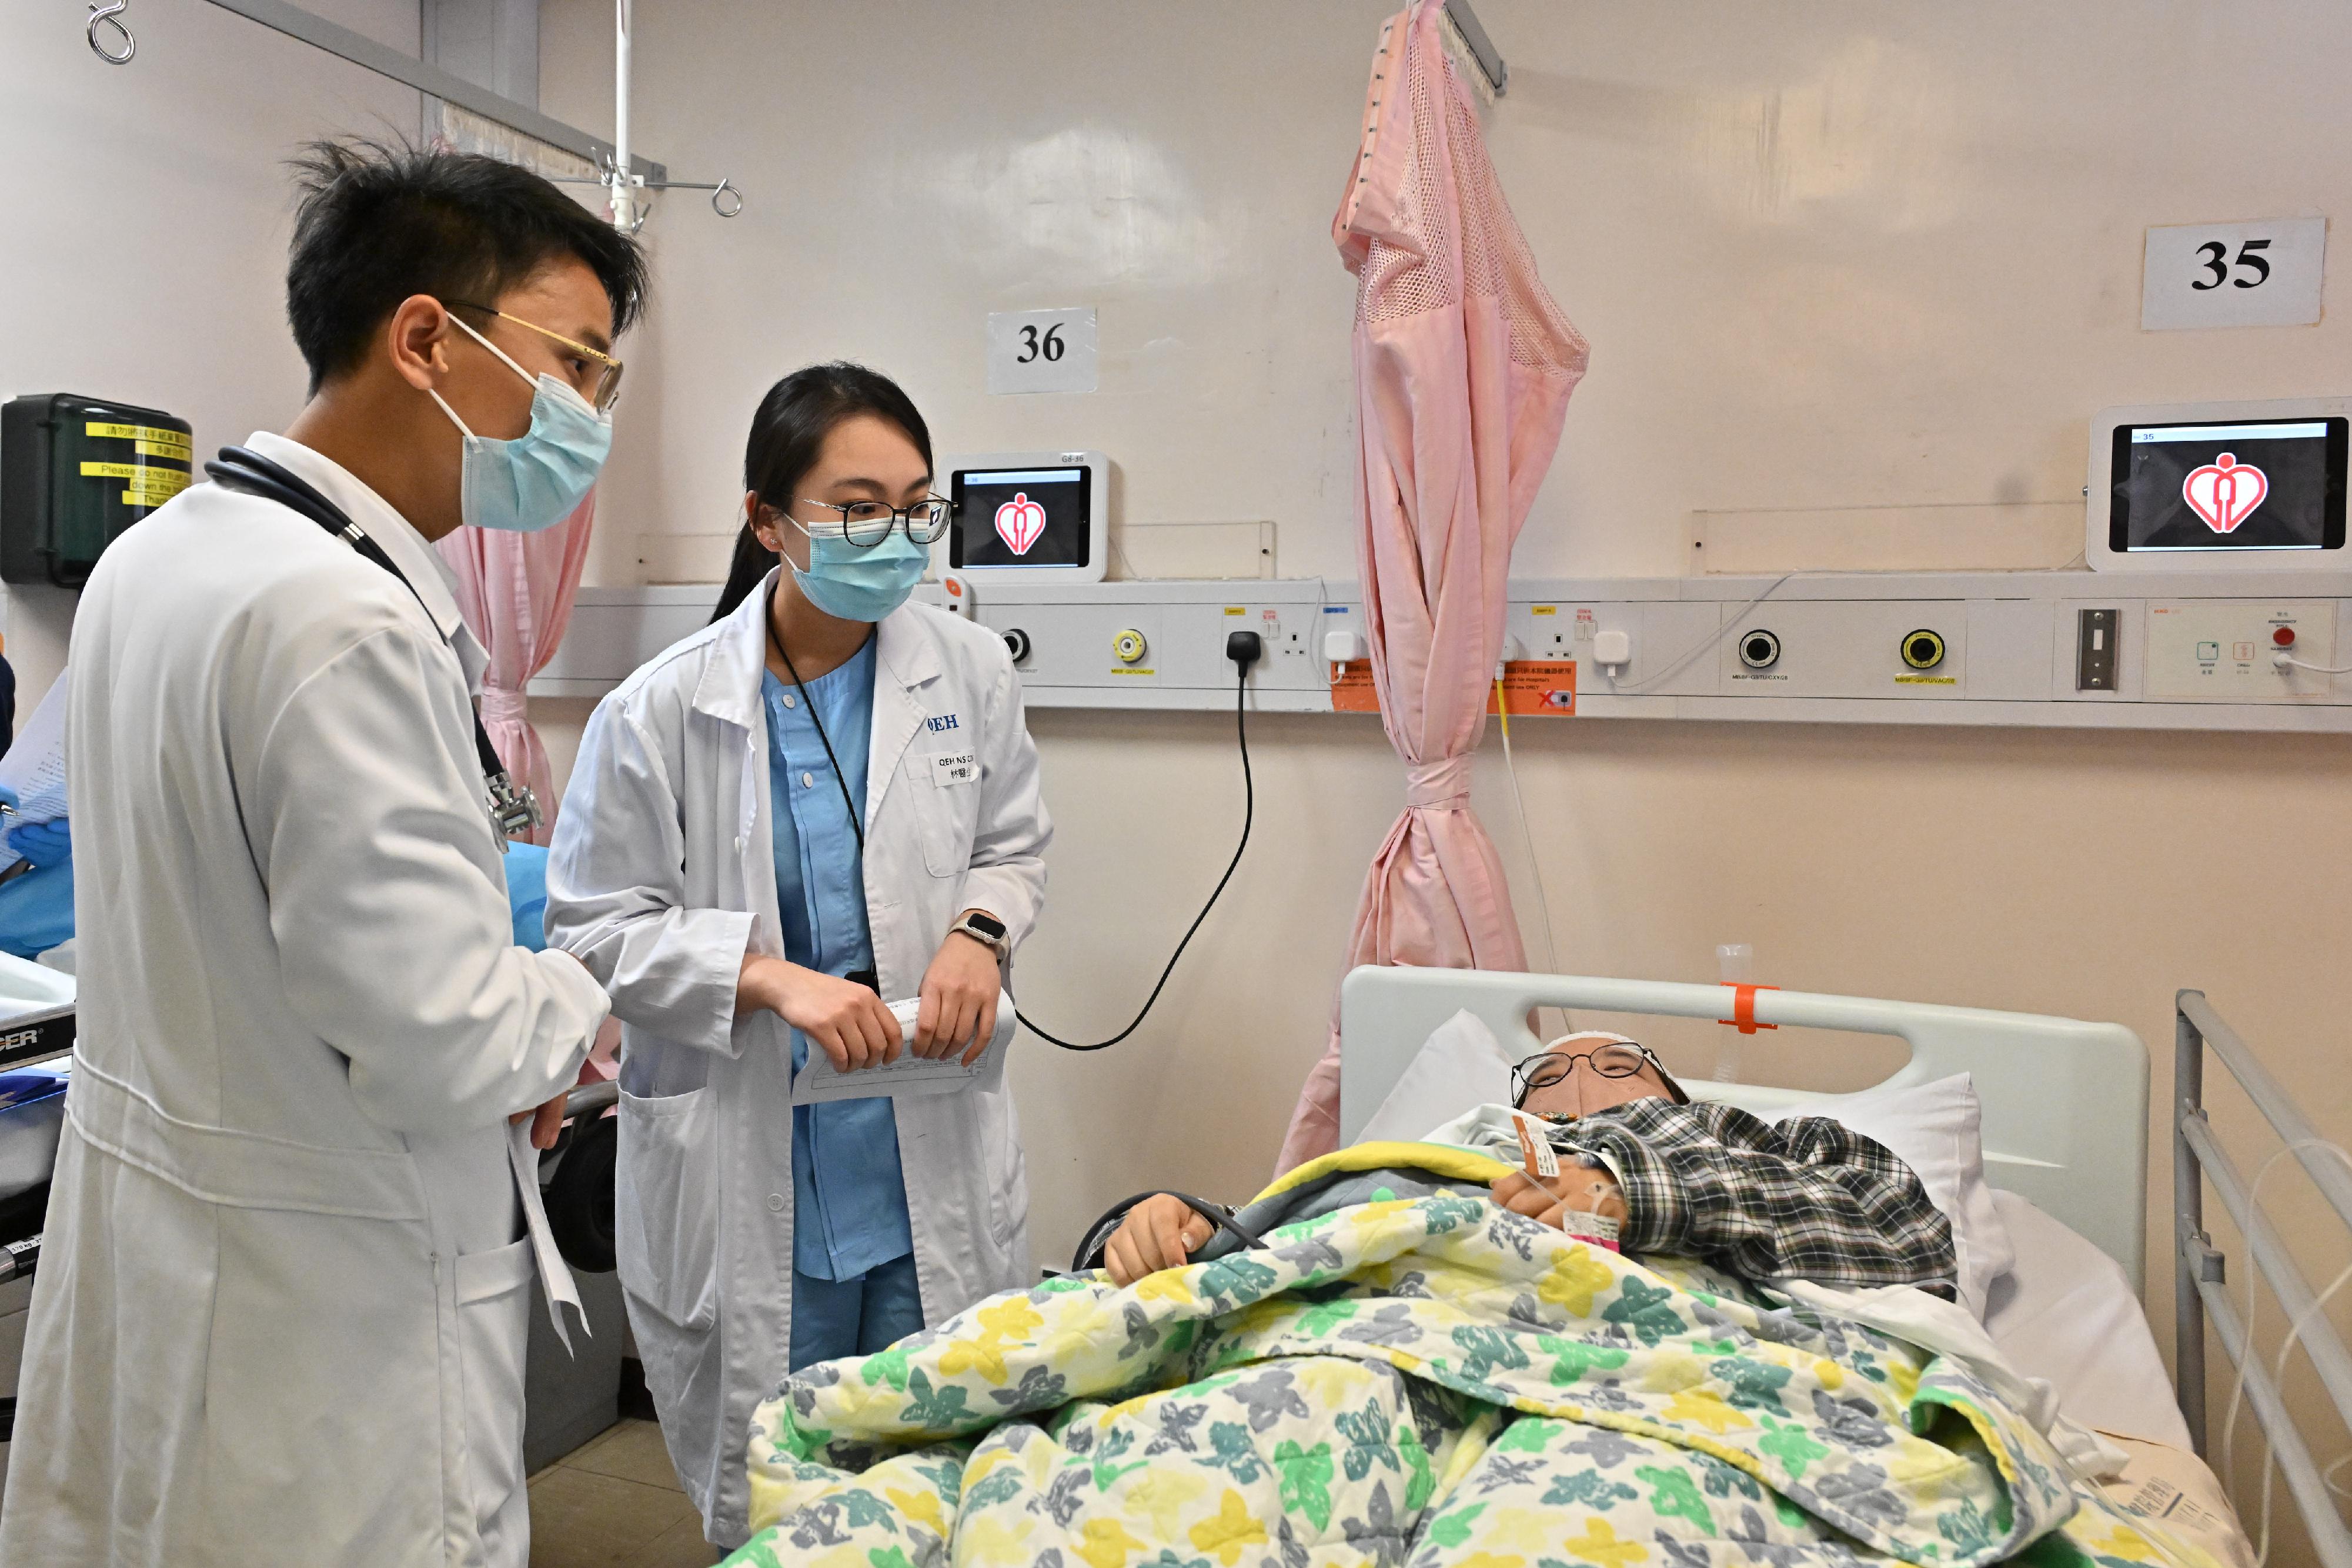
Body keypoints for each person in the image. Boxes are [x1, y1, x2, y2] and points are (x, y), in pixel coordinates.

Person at [0, 140, 643, 1568]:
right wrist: (572, 1003)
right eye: (578, 366)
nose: (588, 415)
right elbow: (442, 1041)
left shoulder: (161, 556)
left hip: (189, 1264)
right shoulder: (337, 619)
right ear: (426, 337)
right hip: (328, 1319)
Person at [544, 362, 1051, 1551]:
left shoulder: (966, 671)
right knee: (778, 1497)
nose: (898, 538)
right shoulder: (660, 710)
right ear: (767, 520)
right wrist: (767, 976)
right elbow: (593, 925)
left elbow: (1013, 843)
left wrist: (980, 933)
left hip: (925, 1137)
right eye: (858, 505)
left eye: (917, 506)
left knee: (945, 1480)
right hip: (745, 1155)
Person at [1101, 1033, 1957, 1299]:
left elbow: (1906, 1241)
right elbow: (1311, 1231)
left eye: (1622, 1067)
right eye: (1545, 1076)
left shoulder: (1750, 1143)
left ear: (1675, 1097)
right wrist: (1188, 1230)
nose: (1579, 1080)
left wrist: (1633, 1191)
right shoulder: (1454, 1146)